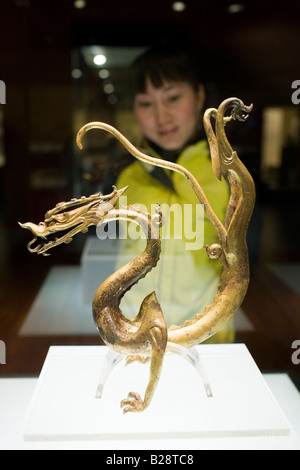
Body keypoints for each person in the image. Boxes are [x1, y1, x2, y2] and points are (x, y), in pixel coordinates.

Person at [115, 46, 234, 343]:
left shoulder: (228, 176)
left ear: (199, 96)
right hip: (136, 335)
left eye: (173, 98)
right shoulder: (127, 178)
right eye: (146, 103)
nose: (161, 116)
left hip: (206, 335)